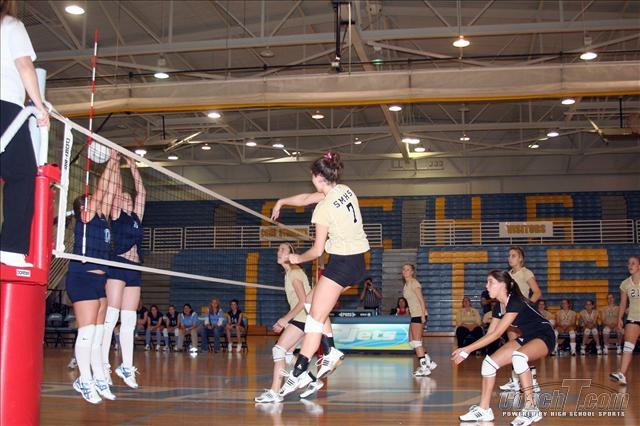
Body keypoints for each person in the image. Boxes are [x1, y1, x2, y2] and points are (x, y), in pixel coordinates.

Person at [272, 152, 369, 397]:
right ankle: (331, 350)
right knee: (309, 302)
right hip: (358, 261)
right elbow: (306, 198)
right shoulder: (344, 190)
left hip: (342, 264)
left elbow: (316, 251)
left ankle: (299, 371)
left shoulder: (323, 209)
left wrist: (296, 258)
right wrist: (282, 201)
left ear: (318, 177)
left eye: (312, 176)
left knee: (314, 321)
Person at [452, 270, 555, 425]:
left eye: (491, 282)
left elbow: (497, 334)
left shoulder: (514, 301)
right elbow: (490, 334)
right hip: (527, 336)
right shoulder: (499, 306)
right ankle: (484, 409)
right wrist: (467, 349)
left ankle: (531, 408)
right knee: (488, 364)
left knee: (519, 358)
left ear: (503, 284)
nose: (487, 286)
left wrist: (467, 349)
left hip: (545, 336)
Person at [65, 151, 120, 404]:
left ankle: (98, 378)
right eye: (90, 201)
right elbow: (100, 192)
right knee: (87, 334)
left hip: (100, 281)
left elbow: (110, 191)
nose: (96, 201)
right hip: (82, 278)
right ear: (83, 208)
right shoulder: (85, 218)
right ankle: (83, 380)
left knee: (98, 336)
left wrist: (116, 164)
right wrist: (109, 162)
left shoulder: (102, 218)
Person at [0, 0, 50, 267]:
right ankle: (10, 247)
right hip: (6, 106)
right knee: (22, 174)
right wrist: (39, 107)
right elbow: (24, 65)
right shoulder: (11, 25)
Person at [102, 156, 146, 389]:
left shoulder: (137, 217)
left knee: (129, 320)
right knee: (111, 318)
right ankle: (103, 366)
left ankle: (126, 367)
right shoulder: (117, 215)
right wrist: (115, 162)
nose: (125, 198)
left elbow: (142, 192)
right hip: (118, 265)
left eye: (128, 197)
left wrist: (133, 166)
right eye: (122, 197)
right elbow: (115, 188)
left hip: (134, 269)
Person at [255, 243, 314, 403]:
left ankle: (275, 392)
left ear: (291, 255)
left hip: (303, 317)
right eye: (278, 250)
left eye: (283, 250)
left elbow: (303, 301)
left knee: (278, 350)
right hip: (302, 317)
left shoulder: (294, 272)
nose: (278, 252)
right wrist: (287, 322)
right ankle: (312, 380)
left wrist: (285, 320)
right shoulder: (289, 274)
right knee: (287, 355)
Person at [500, 246, 543, 392]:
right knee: (513, 347)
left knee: (526, 348)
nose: (510, 258)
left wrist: (527, 306)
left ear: (520, 258)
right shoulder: (507, 275)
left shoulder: (526, 273)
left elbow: (537, 292)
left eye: (513, 255)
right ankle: (515, 380)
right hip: (510, 315)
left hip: (523, 315)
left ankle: (533, 381)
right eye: (509, 255)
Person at [610, 255, 640, 385]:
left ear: (639, 266)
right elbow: (623, 303)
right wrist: (620, 318)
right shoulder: (625, 284)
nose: (630, 265)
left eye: (633, 263)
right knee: (628, 346)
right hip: (633, 317)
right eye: (629, 263)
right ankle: (622, 374)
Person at [402, 263, 436, 377]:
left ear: (412, 272)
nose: (405, 271)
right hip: (414, 315)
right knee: (412, 342)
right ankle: (429, 362)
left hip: (419, 314)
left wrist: (423, 316)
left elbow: (421, 300)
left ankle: (424, 368)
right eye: (404, 269)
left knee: (417, 342)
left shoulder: (414, 283)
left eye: (407, 269)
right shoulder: (406, 285)